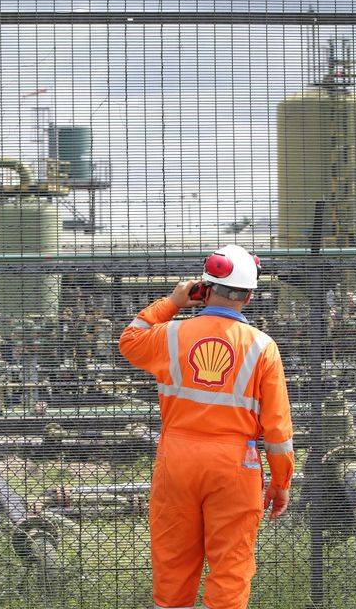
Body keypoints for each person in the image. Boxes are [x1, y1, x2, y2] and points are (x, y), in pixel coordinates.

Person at [119, 244, 294, 609]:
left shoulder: (170, 336)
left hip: (177, 460)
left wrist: (173, 303)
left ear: (205, 286)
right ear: (248, 296)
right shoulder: (263, 348)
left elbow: (129, 340)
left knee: (174, 565)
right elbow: (277, 431)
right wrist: (280, 482)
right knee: (231, 567)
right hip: (235, 465)